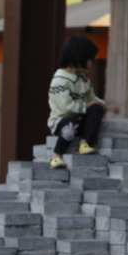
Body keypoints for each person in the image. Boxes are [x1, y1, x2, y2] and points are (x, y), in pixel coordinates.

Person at [47, 35, 111, 169]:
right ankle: (56, 156)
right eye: (90, 59)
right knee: (71, 122)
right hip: (62, 121)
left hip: (79, 117)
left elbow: (91, 98)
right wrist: (87, 106)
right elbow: (65, 107)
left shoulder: (83, 78)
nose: (92, 63)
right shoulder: (60, 80)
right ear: (78, 59)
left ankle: (84, 143)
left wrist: (103, 105)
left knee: (96, 109)